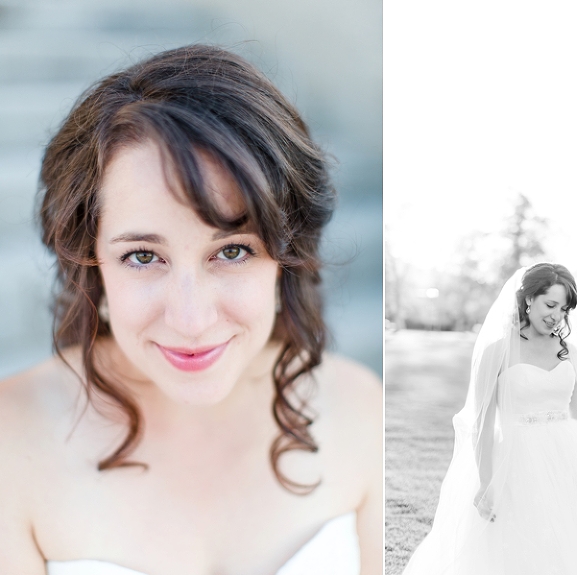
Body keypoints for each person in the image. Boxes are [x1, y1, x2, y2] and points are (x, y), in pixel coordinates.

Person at [0, 45, 382, 575]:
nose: (191, 319)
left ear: (285, 258)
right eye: (142, 256)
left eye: (232, 251)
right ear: (92, 265)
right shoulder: (10, 443)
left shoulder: (360, 408)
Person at [402, 263, 577, 574]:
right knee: (517, 543)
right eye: (550, 304)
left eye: (563, 309)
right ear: (529, 299)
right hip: (516, 458)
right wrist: (486, 482)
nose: (556, 316)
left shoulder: (568, 352)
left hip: (569, 455)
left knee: (568, 543)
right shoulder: (498, 351)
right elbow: (482, 422)